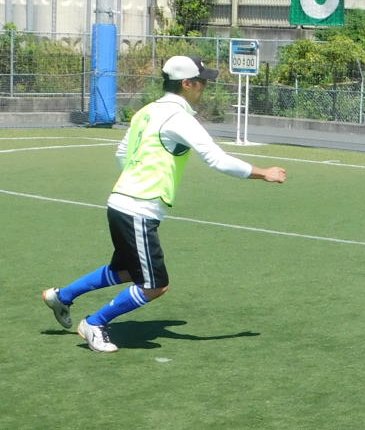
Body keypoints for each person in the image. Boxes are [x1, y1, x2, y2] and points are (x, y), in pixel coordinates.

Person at [40, 55, 287, 353]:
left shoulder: (146, 112)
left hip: (121, 203)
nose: (205, 87)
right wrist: (263, 173)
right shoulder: (179, 118)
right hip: (139, 209)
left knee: (127, 271)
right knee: (155, 285)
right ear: (187, 84)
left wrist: (135, 179)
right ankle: (95, 323)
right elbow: (217, 159)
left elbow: (122, 153)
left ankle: (62, 296)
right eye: (202, 82)